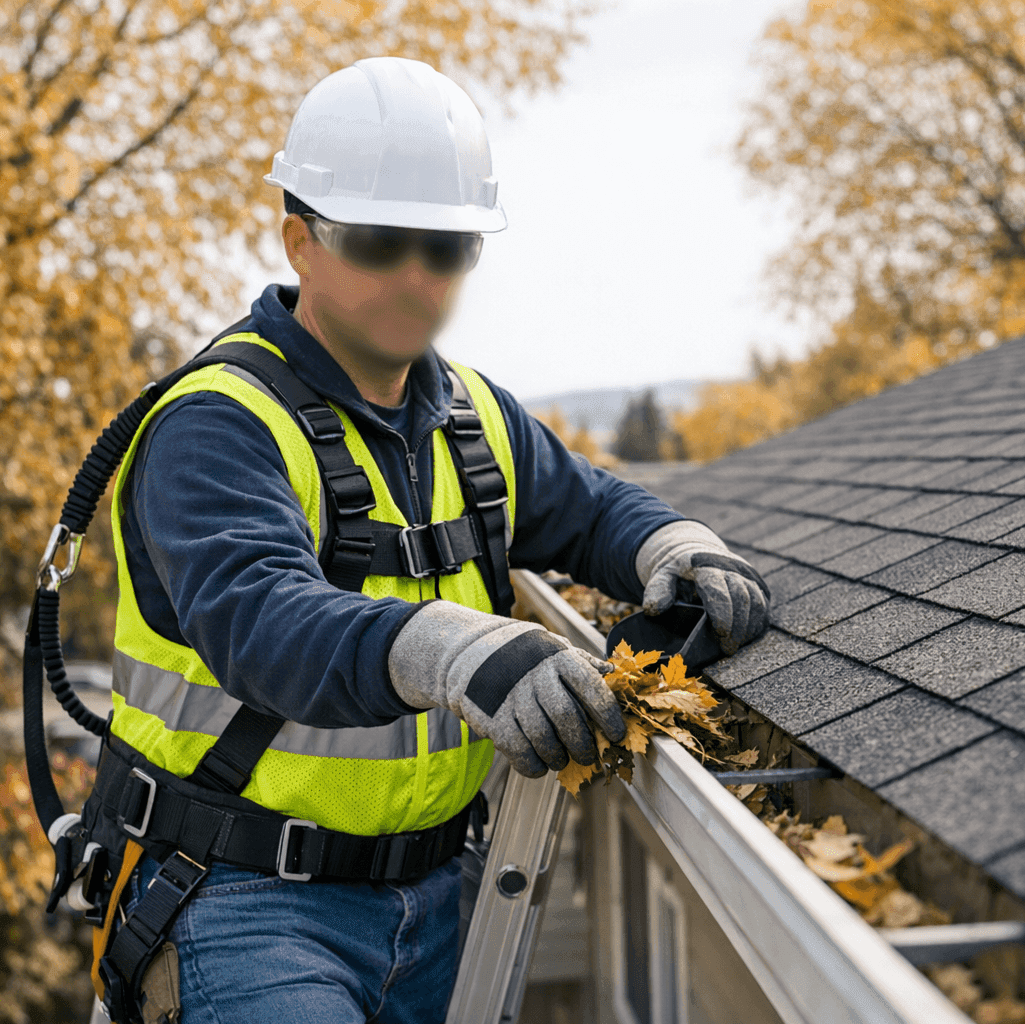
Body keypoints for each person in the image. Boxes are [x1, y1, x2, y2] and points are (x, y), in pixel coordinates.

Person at [91, 56, 769, 1024]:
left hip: (441, 892)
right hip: (245, 901)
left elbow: (589, 506)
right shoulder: (217, 422)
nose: (416, 277)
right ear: (301, 241)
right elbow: (257, 620)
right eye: (379, 243)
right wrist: (464, 651)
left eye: (446, 249)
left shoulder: (471, 414)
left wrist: (678, 547)